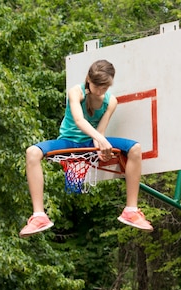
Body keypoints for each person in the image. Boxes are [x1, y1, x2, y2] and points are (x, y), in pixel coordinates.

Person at [20, 59, 153, 237]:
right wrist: (101, 139)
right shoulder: (76, 92)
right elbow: (79, 120)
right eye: (97, 86)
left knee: (135, 148)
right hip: (69, 141)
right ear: (89, 80)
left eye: (104, 88)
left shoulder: (110, 101)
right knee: (32, 152)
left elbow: (100, 131)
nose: (100, 91)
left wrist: (101, 147)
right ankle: (38, 215)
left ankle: (131, 209)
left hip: (91, 143)